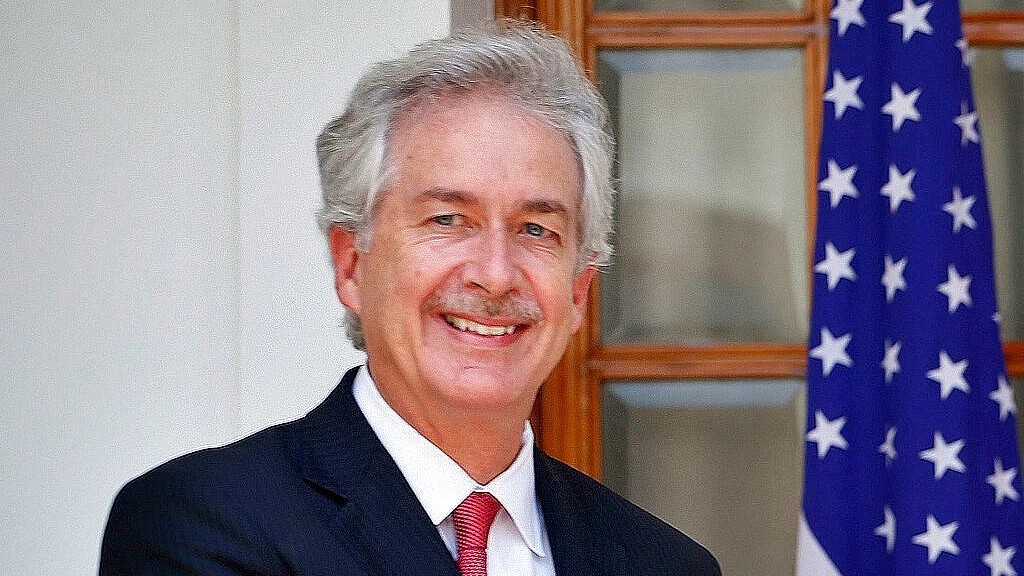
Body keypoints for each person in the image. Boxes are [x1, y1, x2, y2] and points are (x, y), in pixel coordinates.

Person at [99, 22, 720, 576]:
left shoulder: (664, 565)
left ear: (579, 290)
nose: (495, 275)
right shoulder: (203, 526)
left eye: (536, 230)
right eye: (448, 220)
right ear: (352, 264)